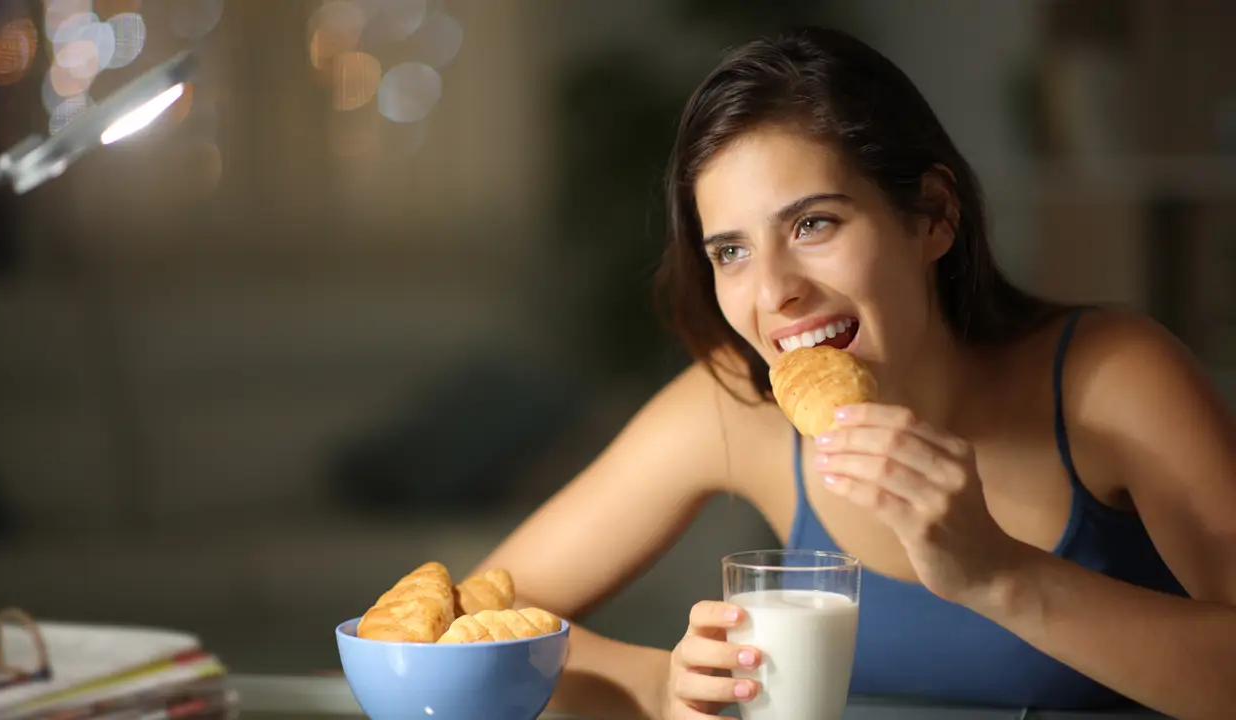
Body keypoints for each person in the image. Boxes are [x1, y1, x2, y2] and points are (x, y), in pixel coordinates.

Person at [469, 25, 1236, 720]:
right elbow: (471, 620)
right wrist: (660, 685)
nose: (773, 293)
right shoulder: (734, 404)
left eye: (813, 224)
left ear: (933, 215)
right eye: (730, 252)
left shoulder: (1113, 378)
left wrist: (997, 574)